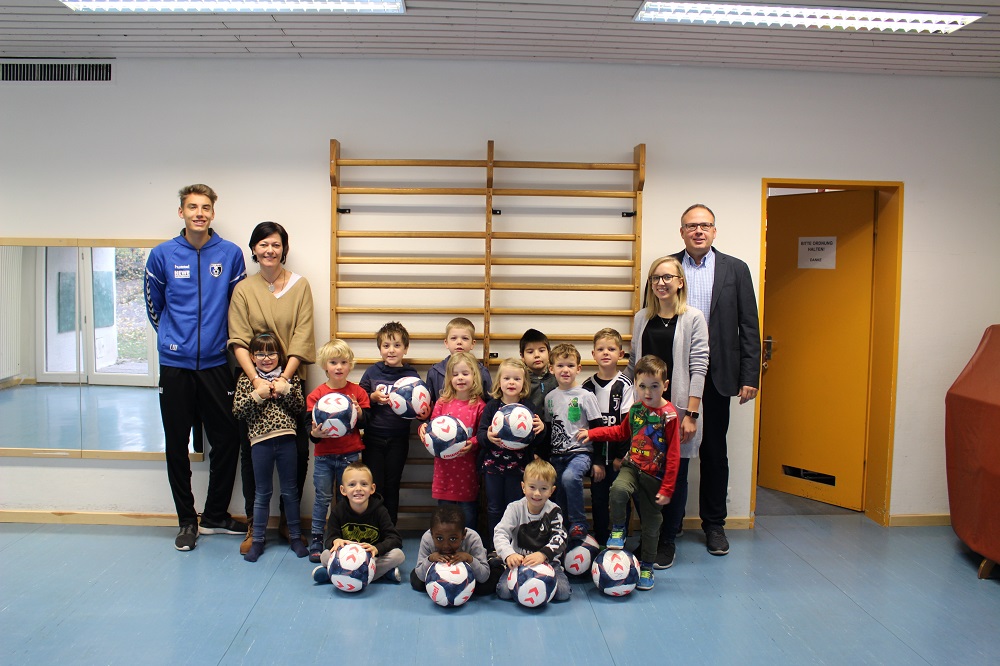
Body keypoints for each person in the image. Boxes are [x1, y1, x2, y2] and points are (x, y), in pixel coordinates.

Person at [144, 184, 247, 552]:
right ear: (182, 213)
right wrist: (176, 339)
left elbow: (238, 308)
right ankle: (187, 520)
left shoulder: (231, 254)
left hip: (218, 363)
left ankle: (215, 514)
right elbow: (154, 307)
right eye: (192, 207)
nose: (199, 213)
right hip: (176, 364)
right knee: (176, 444)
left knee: (228, 438)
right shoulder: (162, 255)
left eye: (205, 207)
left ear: (213, 213)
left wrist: (217, 343)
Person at [673, 204, 761, 556]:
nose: (698, 231)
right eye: (691, 226)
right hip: (676, 375)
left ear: (714, 230)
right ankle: (671, 524)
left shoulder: (735, 269)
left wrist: (749, 374)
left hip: (719, 375)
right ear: (681, 232)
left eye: (705, 225)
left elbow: (749, 326)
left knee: (713, 452)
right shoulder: (669, 267)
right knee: (674, 451)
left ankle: (714, 525)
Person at [228, 220, 316, 554]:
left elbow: (302, 335)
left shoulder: (300, 285)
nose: (269, 250)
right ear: (254, 249)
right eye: (263, 244)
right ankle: (256, 522)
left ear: (284, 249)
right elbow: (237, 339)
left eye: (276, 244)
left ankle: (290, 524)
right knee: (251, 457)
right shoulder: (243, 289)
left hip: (290, 381)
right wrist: (257, 381)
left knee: (298, 454)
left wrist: (284, 379)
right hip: (253, 384)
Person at [629, 255, 709, 568]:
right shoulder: (641, 317)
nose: (661, 283)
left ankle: (667, 541)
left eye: (667, 277)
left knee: (675, 476)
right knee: (644, 474)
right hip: (645, 414)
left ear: (680, 282)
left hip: (677, 412)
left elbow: (699, 365)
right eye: (655, 278)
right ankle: (650, 534)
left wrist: (692, 413)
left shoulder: (693, 318)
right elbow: (635, 364)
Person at [578, 355, 681, 591]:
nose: (647, 392)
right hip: (631, 467)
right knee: (618, 489)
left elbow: (674, 455)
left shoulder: (669, 415)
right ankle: (618, 530)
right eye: (642, 386)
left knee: (652, 526)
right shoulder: (635, 409)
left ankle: (647, 567)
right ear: (635, 385)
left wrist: (667, 488)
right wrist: (593, 434)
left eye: (654, 386)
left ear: (664, 386)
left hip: (654, 478)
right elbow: (619, 432)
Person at [232, 332, 309, 562]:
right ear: (253, 358)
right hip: (260, 443)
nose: (267, 358)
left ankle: (295, 537)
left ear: (280, 356)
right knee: (262, 493)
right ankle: (257, 540)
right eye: (260, 354)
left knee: (290, 491)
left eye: (272, 353)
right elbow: (237, 410)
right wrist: (258, 395)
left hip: (287, 441)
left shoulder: (288, 379)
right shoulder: (247, 380)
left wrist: (285, 390)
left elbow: (299, 407)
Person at [305, 338, 370, 562]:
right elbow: (309, 428)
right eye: (333, 362)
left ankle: (346, 537)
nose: (339, 367)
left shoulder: (357, 393)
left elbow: (366, 422)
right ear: (325, 366)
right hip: (324, 457)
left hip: (350, 455)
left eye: (343, 362)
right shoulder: (316, 395)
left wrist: (359, 413)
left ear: (350, 365)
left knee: (350, 499)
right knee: (322, 498)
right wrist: (315, 434)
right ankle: (317, 537)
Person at [358, 321, 427, 524]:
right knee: (374, 485)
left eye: (397, 345)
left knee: (392, 484)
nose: (391, 350)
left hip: (398, 439)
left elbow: (420, 404)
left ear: (405, 349)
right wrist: (372, 397)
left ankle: (390, 528)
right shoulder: (372, 372)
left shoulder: (411, 375)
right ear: (380, 348)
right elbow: (360, 398)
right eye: (386, 345)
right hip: (374, 438)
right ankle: (374, 526)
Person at [477, 357, 546, 550]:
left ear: (524, 383)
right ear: (499, 381)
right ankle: (495, 547)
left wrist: (542, 429)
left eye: (516, 379)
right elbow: (481, 434)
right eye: (507, 378)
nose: (511, 382)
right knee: (494, 508)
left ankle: (514, 546)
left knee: (514, 508)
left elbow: (536, 440)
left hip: (518, 468)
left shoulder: (528, 407)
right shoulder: (492, 406)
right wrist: (488, 437)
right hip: (493, 467)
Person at [418, 351, 486, 530]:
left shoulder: (479, 405)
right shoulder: (442, 402)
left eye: (465, 373)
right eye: (455, 374)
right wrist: (423, 430)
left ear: (474, 376)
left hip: (467, 470)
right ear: (449, 378)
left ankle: (469, 550)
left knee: (468, 514)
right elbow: (432, 429)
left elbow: (482, 434)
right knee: (445, 515)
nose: (460, 378)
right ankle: (445, 548)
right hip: (444, 471)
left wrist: (473, 443)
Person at [543, 343, 603, 540]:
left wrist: (598, 461)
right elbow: (549, 428)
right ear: (551, 369)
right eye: (560, 366)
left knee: (570, 478)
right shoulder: (550, 397)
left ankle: (579, 523)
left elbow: (598, 428)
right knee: (558, 491)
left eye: (570, 365)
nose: (565, 370)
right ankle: (564, 528)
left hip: (581, 453)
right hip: (556, 455)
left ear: (578, 368)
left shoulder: (586, 396)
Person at [311, 461, 405, 585]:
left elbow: (395, 539)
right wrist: (335, 541)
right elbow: (329, 540)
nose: (358, 489)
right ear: (343, 490)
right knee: (325, 555)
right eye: (352, 484)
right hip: (346, 559)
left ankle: (334, 575)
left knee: (398, 555)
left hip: (372, 558)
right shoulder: (338, 511)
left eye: (364, 484)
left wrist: (377, 549)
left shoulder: (380, 511)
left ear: (372, 489)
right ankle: (383, 574)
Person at [581, 328, 634, 544]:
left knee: (620, 498)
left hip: (618, 459)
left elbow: (626, 427)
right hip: (596, 460)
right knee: (599, 499)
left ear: (620, 354)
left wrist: (620, 458)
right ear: (593, 354)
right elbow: (587, 430)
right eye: (601, 349)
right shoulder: (586, 387)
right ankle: (601, 541)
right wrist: (596, 462)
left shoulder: (625, 386)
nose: (606, 353)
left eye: (611, 349)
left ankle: (620, 541)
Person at [493, 458, 571, 602]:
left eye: (543, 489)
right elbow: (500, 533)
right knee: (504, 592)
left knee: (563, 593)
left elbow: (560, 537)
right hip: (519, 562)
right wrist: (509, 555)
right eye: (532, 487)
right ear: (523, 487)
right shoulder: (514, 508)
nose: (537, 494)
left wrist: (543, 555)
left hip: (548, 562)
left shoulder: (554, 511)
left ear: (551, 491)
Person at [409, 505, 496, 597]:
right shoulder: (427, 538)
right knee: (417, 582)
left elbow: (483, 577)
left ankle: (495, 562)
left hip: (472, 572)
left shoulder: (473, 538)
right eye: (439, 538)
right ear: (432, 534)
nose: (446, 546)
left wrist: (469, 558)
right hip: (437, 574)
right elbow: (420, 575)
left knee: (485, 587)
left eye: (453, 539)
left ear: (463, 535)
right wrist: (430, 559)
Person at [425, 317, 492, 403]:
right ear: (446, 343)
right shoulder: (435, 372)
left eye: (465, 338)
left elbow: (489, 404)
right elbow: (430, 404)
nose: (459, 342)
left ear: (472, 344)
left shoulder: (482, 372)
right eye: (454, 338)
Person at [520, 328, 558, 411]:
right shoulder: (520, 379)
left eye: (541, 350)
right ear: (522, 356)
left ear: (549, 353)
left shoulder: (557, 376)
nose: (536, 355)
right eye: (530, 352)